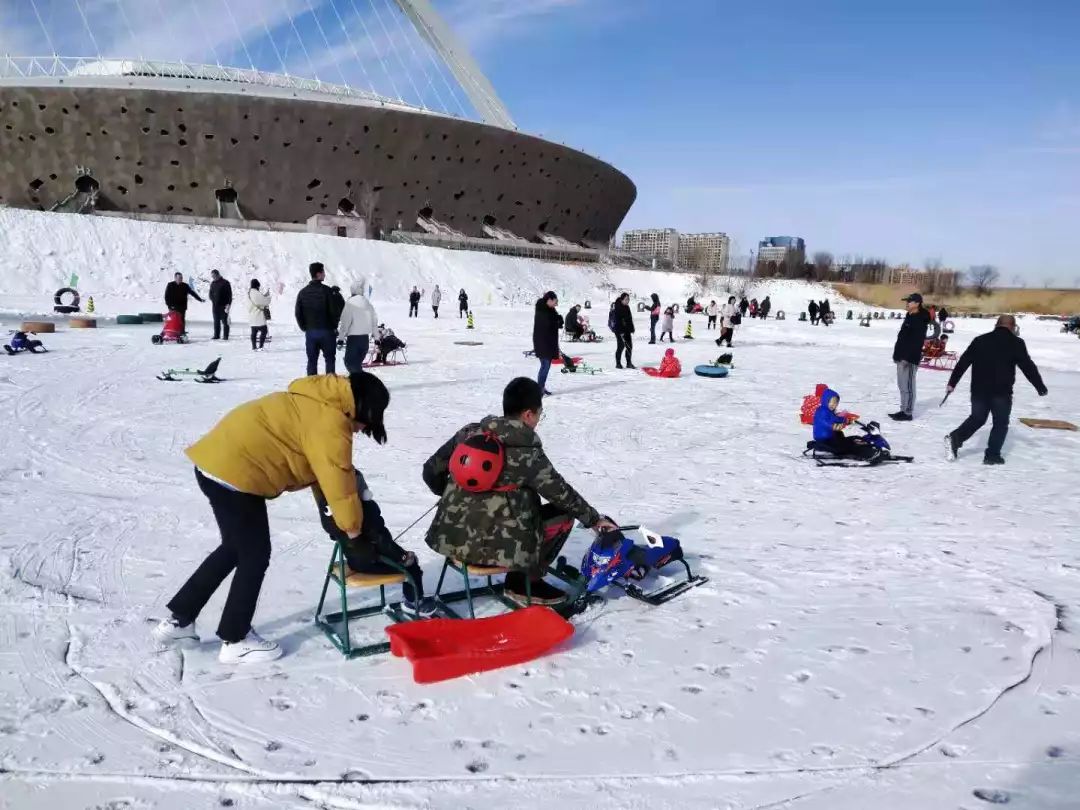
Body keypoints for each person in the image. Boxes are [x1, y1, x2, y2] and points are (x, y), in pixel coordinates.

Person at [152, 372, 391, 663]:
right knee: (254, 554)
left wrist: (338, 518)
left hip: (215, 464)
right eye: (367, 421)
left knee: (234, 548)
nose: (361, 429)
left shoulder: (317, 400)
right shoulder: (331, 422)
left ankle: (181, 621)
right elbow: (337, 480)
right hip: (236, 475)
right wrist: (354, 533)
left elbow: (323, 477)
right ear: (363, 408)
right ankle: (235, 639)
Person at [421, 377, 616, 606]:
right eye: (539, 414)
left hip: (450, 539)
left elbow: (430, 471)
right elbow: (562, 494)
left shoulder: (469, 433)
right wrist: (594, 519)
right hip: (491, 553)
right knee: (563, 516)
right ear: (528, 415)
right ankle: (524, 582)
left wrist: (455, 496)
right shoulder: (526, 452)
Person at [316, 468, 435, 616]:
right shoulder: (364, 512)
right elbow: (382, 541)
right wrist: (402, 556)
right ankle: (413, 602)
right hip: (370, 562)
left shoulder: (334, 512)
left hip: (356, 558)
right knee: (412, 568)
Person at [945, 315, 1048, 465]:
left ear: (996, 325)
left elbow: (963, 362)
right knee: (1000, 423)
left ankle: (955, 438)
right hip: (1002, 391)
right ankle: (992, 455)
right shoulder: (1016, 343)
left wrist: (952, 383)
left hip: (979, 390)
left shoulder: (980, 340)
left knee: (977, 418)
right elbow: (1027, 366)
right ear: (1013, 327)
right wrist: (1040, 386)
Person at [890, 293, 931, 421]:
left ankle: (908, 413)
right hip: (901, 356)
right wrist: (897, 355)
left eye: (909, 302)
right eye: (906, 301)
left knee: (908, 385)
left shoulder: (920, 318)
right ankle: (903, 409)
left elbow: (917, 341)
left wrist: (907, 358)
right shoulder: (910, 315)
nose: (907, 304)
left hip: (909, 359)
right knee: (902, 385)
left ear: (917, 303)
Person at [813, 387, 881, 463]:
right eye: (831, 402)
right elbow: (825, 422)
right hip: (824, 437)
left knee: (847, 438)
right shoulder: (822, 412)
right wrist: (833, 426)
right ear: (826, 401)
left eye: (836, 403)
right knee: (846, 445)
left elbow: (835, 418)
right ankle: (865, 454)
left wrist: (846, 420)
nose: (833, 405)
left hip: (829, 435)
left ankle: (862, 448)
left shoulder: (827, 411)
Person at [295, 262, 339, 376]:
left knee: (312, 361)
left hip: (311, 332)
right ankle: (329, 387)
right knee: (329, 359)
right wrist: (334, 326)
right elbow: (334, 312)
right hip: (327, 331)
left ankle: (311, 387)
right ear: (318, 274)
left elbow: (298, 313)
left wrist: (305, 327)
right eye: (323, 272)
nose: (325, 274)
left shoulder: (302, 293)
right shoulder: (327, 291)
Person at [338, 277, 378, 373]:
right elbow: (374, 322)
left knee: (349, 363)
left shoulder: (350, 303)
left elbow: (345, 323)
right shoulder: (368, 303)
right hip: (365, 340)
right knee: (357, 365)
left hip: (353, 340)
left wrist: (340, 339)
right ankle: (360, 384)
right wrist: (377, 338)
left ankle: (362, 384)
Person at [533, 291, 561, 395]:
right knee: (545, 366)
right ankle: (540, 389)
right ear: (549, 300)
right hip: (543, 343)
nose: (556, 304)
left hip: (546, 342)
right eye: (555, 301)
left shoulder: (548, 309)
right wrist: (556, 321)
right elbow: (547, 324)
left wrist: (558, 319)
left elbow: (552, 322)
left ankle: (541, 387)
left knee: (545, 366)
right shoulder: (542, 310)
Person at [612, 292, 635, 369]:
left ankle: (629, 363)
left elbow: (629, 319)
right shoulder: (617, 307)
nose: (627, 301)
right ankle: (618, 363)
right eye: (626, 299)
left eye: (628, 299)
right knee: (621, 346)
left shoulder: (627, 307)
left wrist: (632, 328)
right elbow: (617, 321)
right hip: (619, 330)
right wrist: (620, 332)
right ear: (621, 300)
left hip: (627, 330)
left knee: (629, 346)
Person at [208, 269, 233, 341]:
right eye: (212, 276)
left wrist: (228, 304)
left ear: (218, 275)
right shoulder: (213, 283)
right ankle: (216, 335)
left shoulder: (225, 283)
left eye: (214, 276)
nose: (213, 278)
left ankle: (225, 336)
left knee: (225, 322)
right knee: (216, 321)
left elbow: (229, 295)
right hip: (215, 306)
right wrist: (212, 299)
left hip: (224, 305)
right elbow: (210, 293)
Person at [247, 279, 270, 351]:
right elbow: (264, 301)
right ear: (257, 285)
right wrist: (268, 297)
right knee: (264, 330)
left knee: (254, 332)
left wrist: (264, 295)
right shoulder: (256, 293)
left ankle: (254, 347)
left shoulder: (249, 293)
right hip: (258, 315)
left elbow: (257, 300)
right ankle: (260, 346)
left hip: (252, 315)